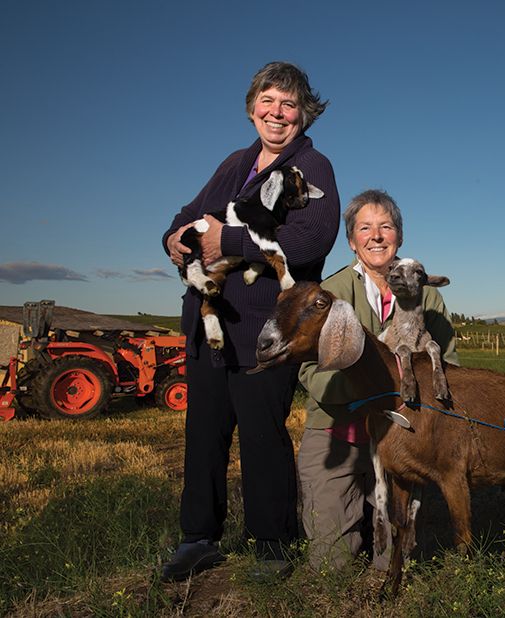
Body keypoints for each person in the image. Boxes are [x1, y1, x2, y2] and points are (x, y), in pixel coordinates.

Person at [160, 62, 340, 581]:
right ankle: (198, 538)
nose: (277, 113)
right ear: (251, 108)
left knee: (263, 434)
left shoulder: (314, 166)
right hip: (210, 324)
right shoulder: (236, 163)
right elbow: (187, 215)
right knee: (205, 434)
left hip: (266, 326)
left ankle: (272, 543)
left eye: (289, 104)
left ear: (304, 114)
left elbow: (310, 243)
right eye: (268, 101)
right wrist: (173, 239)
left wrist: (228, 241)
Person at [296, 189, 458, 569]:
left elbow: (447, 362)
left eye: (386, 226)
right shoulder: (330, 294)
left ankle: (386, 534)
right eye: (365, 228)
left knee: (395, 562)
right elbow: (308, 368)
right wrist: (365, 393)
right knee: (330, 565)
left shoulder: (427, 295)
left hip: (401, 435)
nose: (377, 236)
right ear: (352, 241)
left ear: (399, 237)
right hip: (341, 430)